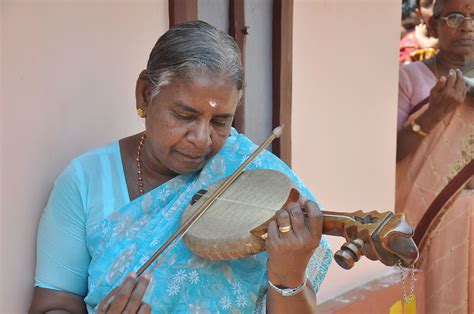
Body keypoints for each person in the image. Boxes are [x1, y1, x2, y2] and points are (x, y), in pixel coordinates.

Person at [28, 21, 332, 313]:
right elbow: (53, 305)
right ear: (145, 94)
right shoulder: (86, 181)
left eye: (219, 121)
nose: (202, 139)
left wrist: (288, 277)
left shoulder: (252, 173)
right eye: (185, 116)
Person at [396, 0, 474, 312]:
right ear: (433, 26)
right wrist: (432, 116)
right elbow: (391, 152)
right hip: (430, 218)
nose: (466, 26)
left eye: (473, 17)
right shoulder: (409, 79)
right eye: (455, 16)